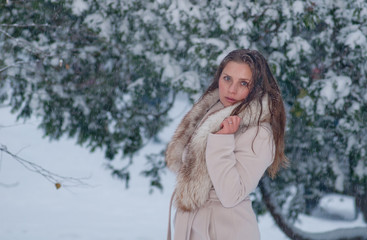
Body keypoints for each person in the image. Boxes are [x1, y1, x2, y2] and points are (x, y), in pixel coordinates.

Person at [165, 49, 288, 240]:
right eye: (227, 78)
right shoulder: (212, 112)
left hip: (226, 230)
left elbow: (231, 195)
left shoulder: (259, 133)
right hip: (193, 225)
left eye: (244, 83)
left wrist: (223, 140)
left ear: (257, 88)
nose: (232, 89)